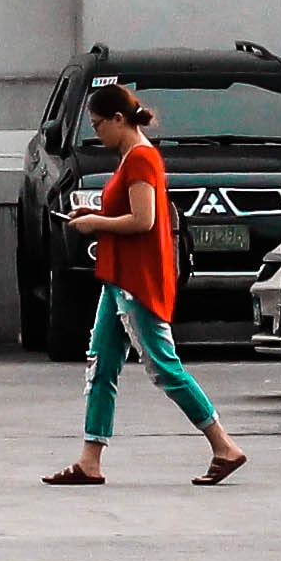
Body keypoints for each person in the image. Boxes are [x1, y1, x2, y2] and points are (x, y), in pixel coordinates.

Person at [47, 78, 243, 486]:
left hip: (136, 279)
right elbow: (134, 214)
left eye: (99, 124)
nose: (97, 133)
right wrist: (96, 214)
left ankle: (223, 445)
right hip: (119, 277)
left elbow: (143, 220)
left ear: (119, 119)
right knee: (101, 366)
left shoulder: (139, 159)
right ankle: (90, 460)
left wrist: (95, 222)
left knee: (163, 367)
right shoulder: (132, 157)